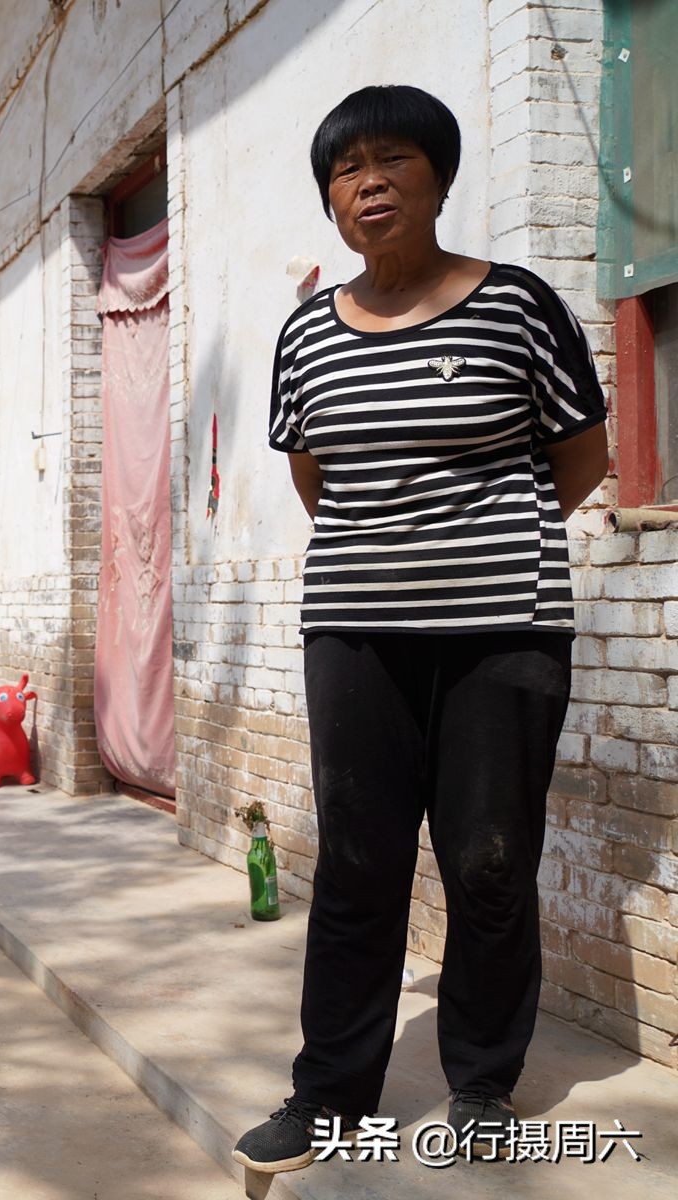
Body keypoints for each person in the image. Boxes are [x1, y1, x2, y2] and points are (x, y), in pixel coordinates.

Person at [231, 84, 610, 1174]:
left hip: (505, 628)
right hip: (354, 631)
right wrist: (391, 562)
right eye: (347, 172)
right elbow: (319, 477)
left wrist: (489, 543)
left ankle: (481, 1080)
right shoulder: (307, 333)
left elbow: (578, 453)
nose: (370, 183)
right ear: (332, 203)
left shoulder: (516, 307)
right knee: (356, 859)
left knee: (490, 859)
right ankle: (328, 1092)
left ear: (438, 178)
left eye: (394, 160)